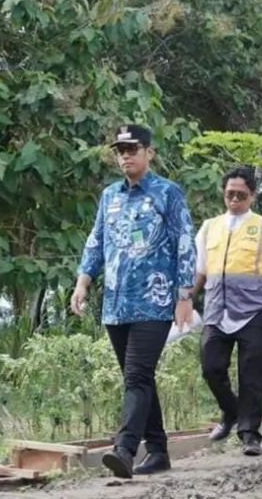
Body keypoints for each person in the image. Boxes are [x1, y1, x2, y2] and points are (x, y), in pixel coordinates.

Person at [70, 125, 196, 479]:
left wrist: (184, 296)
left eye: (132, 149)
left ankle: (124, 449)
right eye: (120, 150)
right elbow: (96, 241)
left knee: (137, 375)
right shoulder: (110, 196)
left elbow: (185, 244)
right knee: (137, 377)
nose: (125, 155)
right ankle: (157, 450)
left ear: (149, 152)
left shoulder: (167, 193)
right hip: (116, 303)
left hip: (154, 303)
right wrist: (83, 283)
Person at [191, 166, 262, 456]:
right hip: (217, 308)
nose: (235, 199)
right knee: (211, 366)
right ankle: (231, 411)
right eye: (230, 193)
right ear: (223, 193)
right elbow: (200, 271)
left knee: (251, 373)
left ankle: (249, 433)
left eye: (241, 194)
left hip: (255, 308)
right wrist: (187, 296)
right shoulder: (209, 227)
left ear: (253, 195)